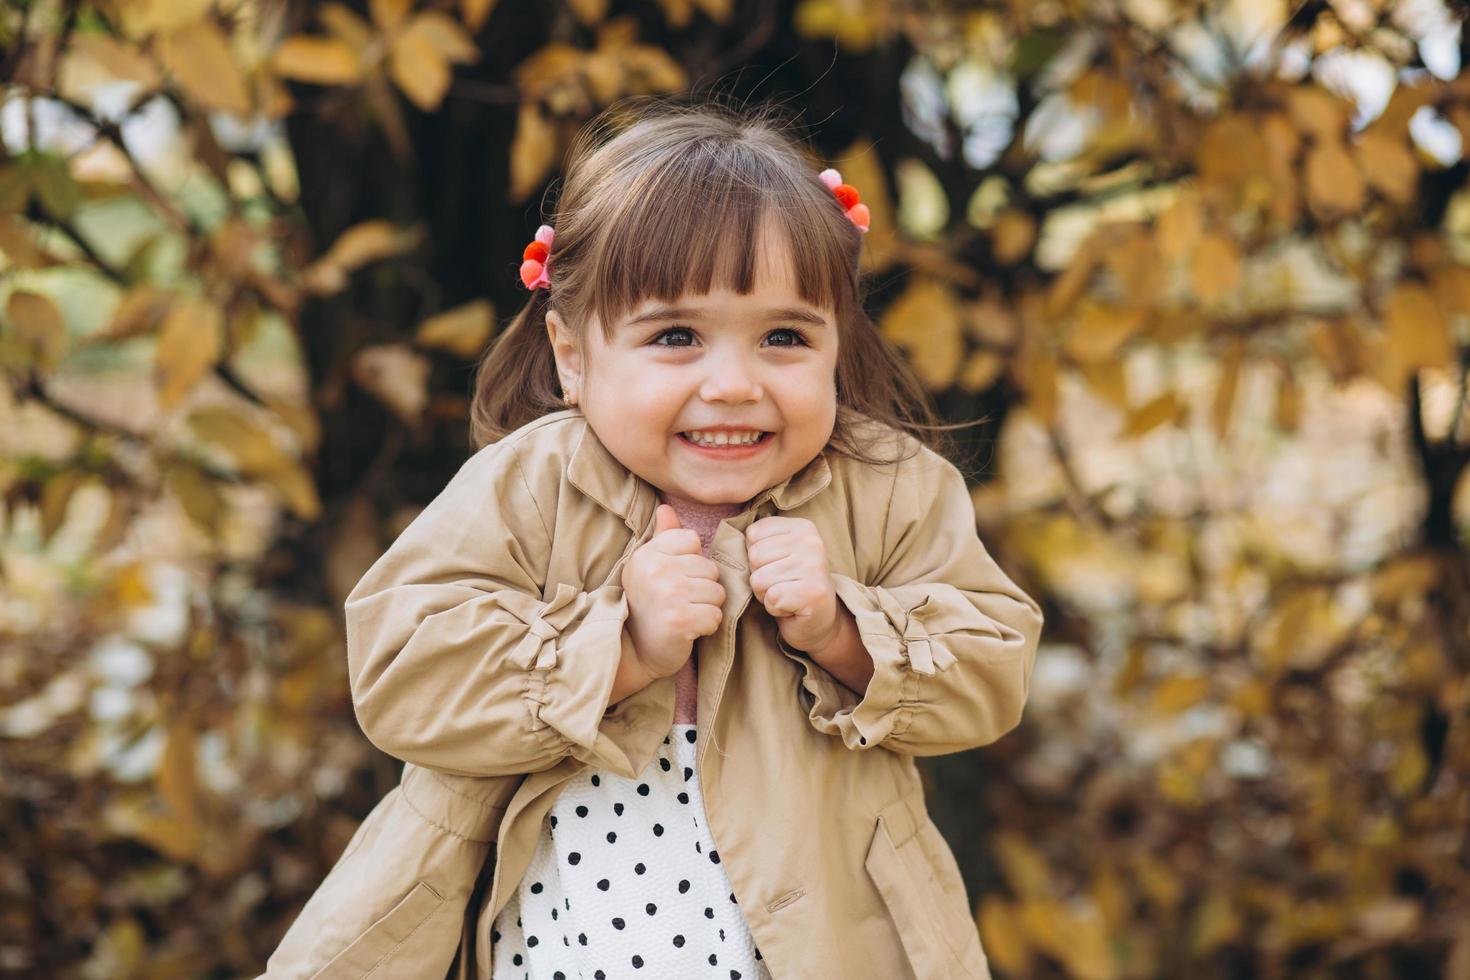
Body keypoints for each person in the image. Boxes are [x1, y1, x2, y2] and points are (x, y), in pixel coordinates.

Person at [263, 101, 1043, 980]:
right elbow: (403, 673)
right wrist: (622, 646)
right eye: (676, 336)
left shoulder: (890, 488)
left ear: (838, 345)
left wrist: (841, 632)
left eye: (785, 336)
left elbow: (991, 669)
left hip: (818, 936)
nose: (734, 383)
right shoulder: (527, 489)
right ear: (572, 352)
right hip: (569, 934)